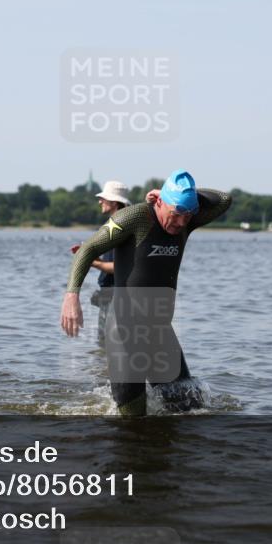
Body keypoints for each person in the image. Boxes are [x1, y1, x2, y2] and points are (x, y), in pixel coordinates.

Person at [60, 170, 232, 416]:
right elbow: (88, 249)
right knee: (133, 420)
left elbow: (224, 199)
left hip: (161, 332)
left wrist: (176, 197)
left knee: (190, 410)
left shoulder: (187, 220)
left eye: (188, 215)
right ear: (160, 203)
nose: (181, 223)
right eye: (176, 214)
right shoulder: (135, 217)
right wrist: (71, 296)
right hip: (125, 332)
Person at [70, 181, 131, 340]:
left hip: (115, 296)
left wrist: (90, 261)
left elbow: (118, 267)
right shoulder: (118, 226)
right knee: (107, 347)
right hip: (115, 295)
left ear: (114, 202)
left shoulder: (119, 227)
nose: (99, 201)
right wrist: (90, 253)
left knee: (106, 343)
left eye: (104, 198)